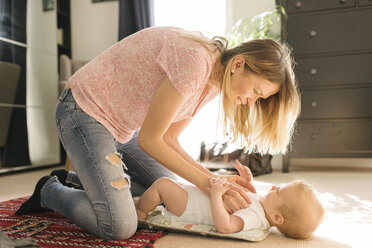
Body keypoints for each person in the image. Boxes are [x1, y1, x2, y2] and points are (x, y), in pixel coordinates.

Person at [15, 26, 300, 240]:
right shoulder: (196, 62)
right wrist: (210, 184)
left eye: (259, 99)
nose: (252, 101)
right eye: (256, 92)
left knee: (168, 186)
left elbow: (169, 139)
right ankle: (49, 191)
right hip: (83, 111)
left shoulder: (213, 84)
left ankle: (79, 181)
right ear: (239, 64)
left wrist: (214, 180)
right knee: (120, 226)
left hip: (119, 130)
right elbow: (150, 140)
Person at [136, 161, 325, 239]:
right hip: (193, 194)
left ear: (277, 218)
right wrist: (248, 181)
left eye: (279, 192)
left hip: (189, 206)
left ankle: (141, 212)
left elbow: (225, 226)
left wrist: (217, 195)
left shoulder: (255, 218)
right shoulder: (263, 207)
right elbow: (246, 197)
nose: (274, 187)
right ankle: (140, 199)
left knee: (162, 185)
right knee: (162, 185)